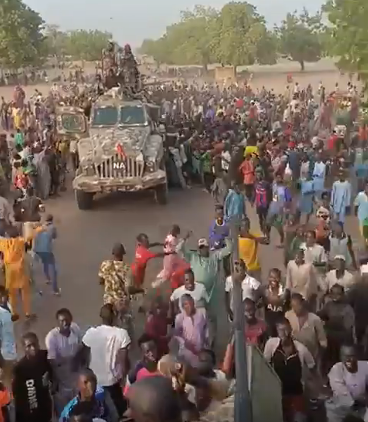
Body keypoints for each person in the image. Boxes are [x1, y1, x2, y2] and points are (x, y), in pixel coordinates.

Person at [177, 232, 232, 346]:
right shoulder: (193, 257)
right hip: (197, 296)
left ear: (208, 248)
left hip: (212, 295)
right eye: (200, 248)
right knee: (197, 319)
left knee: (212, 319)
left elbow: (229, 249)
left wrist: (224, 236)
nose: (202, 250)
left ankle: (212, 342)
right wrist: (185, 238)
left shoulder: (214, 256)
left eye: (204, 247)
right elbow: (178, 249)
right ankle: (196, 341)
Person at [78, 304, 131, 418]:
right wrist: (124, 381)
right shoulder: (122, 334)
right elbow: (123, 361)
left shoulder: (91, 333)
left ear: (101, 316)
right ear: (115, 315)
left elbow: (82, 356)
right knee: (121, 413)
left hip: (94, 382)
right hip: (112, 382)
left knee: (96, 413)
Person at [264, 318, 316, 422]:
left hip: (296, 392)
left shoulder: (300, 349)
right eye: (280, 330)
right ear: (277, 331)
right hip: (278, 392)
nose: (284, 333)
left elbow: (312, 365)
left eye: (286, 329)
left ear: (291, 330)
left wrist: (311, 386)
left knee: (299, 419)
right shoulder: (271, 344)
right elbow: (265, 363)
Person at [45, 308, 82, 415]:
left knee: (77, 408)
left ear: (71, 319)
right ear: (57, 322)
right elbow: (52, 362)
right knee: (63, 410)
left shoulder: (75, 329)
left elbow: (82, 346)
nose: (65, 323)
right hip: (61, 380)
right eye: (62, 321)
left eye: (67, 320)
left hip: (75, 376)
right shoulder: (52, 337)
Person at [12, 332, 53, 422]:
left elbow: (53, 373)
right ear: (24, 348)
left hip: (45, 409)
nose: (33, 348)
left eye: (34, 344)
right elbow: (18, 397)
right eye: (29, 346)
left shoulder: (45, 357)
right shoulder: (20, 369)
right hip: (30, 414)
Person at [319, 285, 355, 373]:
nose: (335, 296)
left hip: (342, 340)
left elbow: (347, 326)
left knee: (341, 361)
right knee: (328, 360)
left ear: (343, 295)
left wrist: (329, 322)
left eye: (338, 294)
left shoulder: (347, 308)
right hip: (330, 338)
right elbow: (320, 315)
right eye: (333, 293)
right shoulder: (329, 305)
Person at [326, 344, 368, 422]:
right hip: (338, 410)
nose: (350, 359)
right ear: (341, 357)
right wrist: (363, 399)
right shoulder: (336, 370)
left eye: (353, 356)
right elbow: (343, 396)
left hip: (361, 408)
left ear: (357, 356)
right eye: (346, 356)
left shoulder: (365, 366)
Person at [285, 293, 327, 362]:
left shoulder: (315, 319)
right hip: (293, 357)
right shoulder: (287, 315)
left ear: (303, 304)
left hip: (312, 358)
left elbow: (323, 342)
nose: (295, 309)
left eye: (297, 306)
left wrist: (319, 362)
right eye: (293, 306)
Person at [173, 295, 209, 368]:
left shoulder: (201, 314)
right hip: (186, 351)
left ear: (192, 303)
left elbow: (206, 329)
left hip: (200, 351)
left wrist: (206, 344)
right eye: (183, 305)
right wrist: (184, 342)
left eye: (187, 304)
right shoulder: (179, 318)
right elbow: (177, 334)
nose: (185, 307)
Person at [33, 213, 60, 295]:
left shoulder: (39, 227)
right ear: (52, 220)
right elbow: (54, 236)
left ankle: (47, 278)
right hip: (47, 251)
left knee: (45, 263)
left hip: (38, 251)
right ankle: (55, 290)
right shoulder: (52, 227)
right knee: (54, 270)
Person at [0, 286, 16, 388]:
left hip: (11, 343)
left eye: (4, 295)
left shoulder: (8, 306)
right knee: (8, 374)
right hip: (4, 349)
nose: (3, 298)